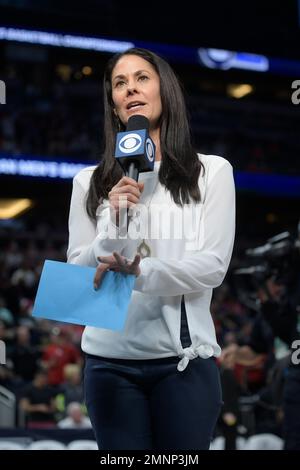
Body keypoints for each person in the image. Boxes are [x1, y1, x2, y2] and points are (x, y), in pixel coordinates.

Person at [67, 47, 236, 450]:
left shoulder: (211, 171)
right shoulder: (88, 182)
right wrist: (114, 223)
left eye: (142, 78)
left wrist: (140, 273)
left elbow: (211, 266)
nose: (130, 89)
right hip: (108, 366)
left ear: (165, 90)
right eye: (119, 83)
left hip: (182, 366)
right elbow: (79, 274)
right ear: (113, 103)